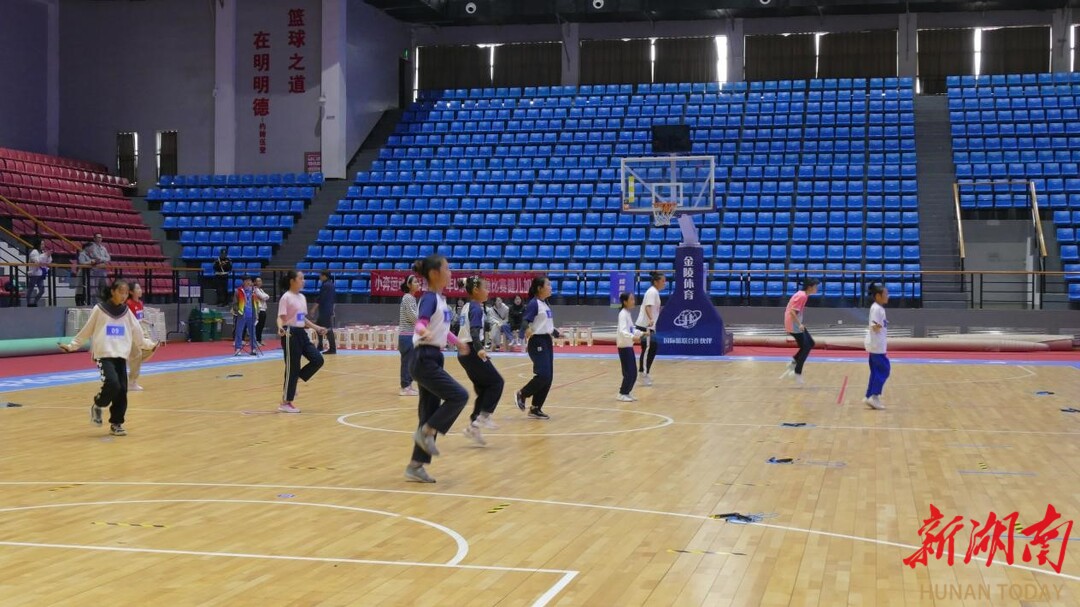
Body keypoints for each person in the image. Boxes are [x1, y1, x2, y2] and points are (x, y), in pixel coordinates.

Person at [59, 278, 158, 436]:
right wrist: (72, 346)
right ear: (112, 292)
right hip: (104, 355)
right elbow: (86, 330)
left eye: (126, 293)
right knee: (113, 383)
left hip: (120, 355)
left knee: (122, 390)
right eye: (121, 292)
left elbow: (137, 333)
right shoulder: (99, 309)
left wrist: (149, 344)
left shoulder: (126, 312)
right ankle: (98, 405)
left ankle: (116, 423)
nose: (124, 296)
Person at [406, 254, 470, 483]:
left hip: (433, 358)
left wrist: (457, 342)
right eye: (447, 269)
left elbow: (442, 329)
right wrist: (423, 331)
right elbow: (420, 323)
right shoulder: (429, 298)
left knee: (428, 413)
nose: (451, 273)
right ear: (434, 274)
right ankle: (426, 432)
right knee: (459, 396)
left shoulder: (441, 300)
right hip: (424, 358)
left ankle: (415, 466)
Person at [457, 276, 505, 445]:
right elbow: (474, 332)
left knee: (484, 388)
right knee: (497, 382)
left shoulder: (466, 306)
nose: (488, 291)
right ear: (476, 290)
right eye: (486, 288)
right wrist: (480, 349)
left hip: (463, 353)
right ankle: (483, 417)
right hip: (472, 351)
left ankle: (474, 427)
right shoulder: (476, 308)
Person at [277, 270, 327, 413]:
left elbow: (301, 319)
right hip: (289, 333)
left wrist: (317, 328)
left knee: (318, 359)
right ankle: (285, 403)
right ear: (292, 281)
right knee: (292, 367)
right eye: (300, 278)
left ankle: (294, 381)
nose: (303, 281)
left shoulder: (302, 297)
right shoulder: (286, 297)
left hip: (301, 333)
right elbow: (280, 317)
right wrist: (280, 327)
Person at [514, 276, 559, 420]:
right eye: (548, 285)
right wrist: (526, 329)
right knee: (543, 375)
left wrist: (555, 332)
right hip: (537, 341)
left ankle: (535, 408)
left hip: (546, 340)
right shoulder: (534, 303)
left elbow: (544, 323)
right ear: (540, 288)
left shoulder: (545, 304)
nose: (551, 287)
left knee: (548, 377)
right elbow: (525, 320)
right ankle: (522, 393)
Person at [780, 277, 821, 386]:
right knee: (806, 347)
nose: (817, 289)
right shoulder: (802, 296)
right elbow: (792, 312)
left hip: (795, 324)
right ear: (810, 287)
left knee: (810, 343)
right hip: (793, 325)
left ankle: (793, 362)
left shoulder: (803, 295)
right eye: (815, 286)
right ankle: (797, 372)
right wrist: (799, 324)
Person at [635, 271, 665, 386]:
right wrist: (651, 319)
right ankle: (642, 375)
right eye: (663, 281)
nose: (664, 283)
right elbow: (647, 307)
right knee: (648, 350)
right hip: (645, 327)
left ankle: (645, 373)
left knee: (652, 349)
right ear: (656, 282)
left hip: (650, 327)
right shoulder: (652, 292)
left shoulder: (654, 292)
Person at [864, 283, 890, 410]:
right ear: (878, 296)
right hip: (877, 345)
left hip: (877, 345)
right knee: (884, 369)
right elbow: (874, 325)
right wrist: (880, 325)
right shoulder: (876, 309)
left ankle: (869, 395)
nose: (888, 296)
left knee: (875, 372)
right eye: (885, 294)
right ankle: (874, 396)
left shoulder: (878, 308)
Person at [616, 292, 644, 402]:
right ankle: (622, 393)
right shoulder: (623, 314)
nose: (633, 301)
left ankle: (627, 392)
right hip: (624, 347)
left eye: (633, 299)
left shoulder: (627, 313)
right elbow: (623, 331)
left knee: (633, 372)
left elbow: (631, 329)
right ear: (625, 302)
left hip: (628, 346)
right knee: (629, 372)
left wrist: (642, 333)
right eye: (631, 299)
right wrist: (633, 337)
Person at [398, 275, 421, 396]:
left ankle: (408, 386)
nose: (418, 284)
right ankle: (405, 387)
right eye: (415, 282)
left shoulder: (411, 298)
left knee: (410, 361)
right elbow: (414, 317)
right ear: (409, 285)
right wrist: (425, 322)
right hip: (407, 335)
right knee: (407, 362)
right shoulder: (408, 298)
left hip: (409, 335)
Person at [125, 282, 150, 391]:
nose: (140, 290)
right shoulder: (128, 304)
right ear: (131, 292)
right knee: (137, 355)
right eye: (137, 288)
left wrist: (146, 322)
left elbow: (139, 318)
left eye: (140, 288)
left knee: (150, 349)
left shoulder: (140, 303)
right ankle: (131, 382)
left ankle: (130, 365)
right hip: (130, 334)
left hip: (140, 332)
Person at [311, 270, 337, 354]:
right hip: (327, 309)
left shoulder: (326, 285)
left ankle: (332, 349)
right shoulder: (331, 285)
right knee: (318, 326)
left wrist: (313, 309)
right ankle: (320, 345)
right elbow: (333, 299)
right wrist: (332, 309)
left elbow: (320, 298)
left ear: (325, 276)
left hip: (325, 310)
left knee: (328, 329)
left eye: (321, 275)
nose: (320, 277)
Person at [233, 276, 258, 356]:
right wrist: (238, 311)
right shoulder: (238, 291)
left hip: (251, 315)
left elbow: (256, 303)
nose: (248, 282)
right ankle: (238, 349)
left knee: (252, 332)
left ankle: (253, 349)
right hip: (242, 315)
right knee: (239, 332)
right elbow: (234, 304)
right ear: (243, 282)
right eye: (247, 281)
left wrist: (256, 313)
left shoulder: (253, 291)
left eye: (249, 281)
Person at [80, 235, 111, 301]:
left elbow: (108, 258)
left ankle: (104, 301)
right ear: (94, 238)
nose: (100, 239)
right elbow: (96, 257)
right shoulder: (92, 247)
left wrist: (101, 259)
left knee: (104, 285)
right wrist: (103, 259)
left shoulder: (103, 248)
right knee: (94, 287)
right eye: (98, 237)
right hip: (95, 270)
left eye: (101, 237)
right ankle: (93, 302)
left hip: (103, 269)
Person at [27, 239, 52, 307]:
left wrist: (48, 256)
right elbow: (37, 261)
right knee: (30, 289)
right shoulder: (34, 252)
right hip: (34, 273)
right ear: (38, 245)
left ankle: (35, 302)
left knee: (42, 290)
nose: (43, 246)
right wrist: (45, 256)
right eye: (42, 244)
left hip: (41, 273)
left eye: (44, 244)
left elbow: (48, 261)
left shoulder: (43, 252)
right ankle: (28, 303)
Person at [252, 276, 270, 347]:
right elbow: (263, 297)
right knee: (258, 326)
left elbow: (267, 296)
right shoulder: (255, 290)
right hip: (259, 310)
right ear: (255, 282)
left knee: (261, 326)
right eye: (258, 281)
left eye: (260, 281)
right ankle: (256, 340)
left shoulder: (261, 290)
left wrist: (265, 296)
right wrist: (265, 297)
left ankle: (259, 339)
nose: (260, 282)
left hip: (263, 309)